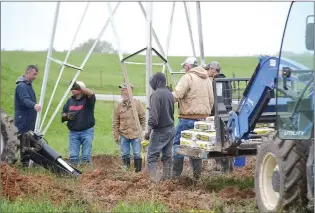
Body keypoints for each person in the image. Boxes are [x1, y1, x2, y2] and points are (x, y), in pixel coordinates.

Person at [172, 57, 214, 179]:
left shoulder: (188, 77)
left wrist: (166, 99)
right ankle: (197, 177)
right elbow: (212, 100)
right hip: (203, 120)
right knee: (196, 147)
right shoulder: (207, 80)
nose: (184, 69)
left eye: (184, 66)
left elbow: (177, 95)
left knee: (178, 145)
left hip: (187, 118)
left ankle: (176, 175)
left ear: (188, 66)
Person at [144, 72, 175, 182]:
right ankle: (167, 180)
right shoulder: (170, 94)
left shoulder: (156, 95)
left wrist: (148, 132)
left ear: (157, 81)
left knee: (152, 157)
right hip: (171, 129)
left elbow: (154, 116)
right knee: (167, 157)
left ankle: (155, 181)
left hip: (160, 130)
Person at [204, 61, 234, 173]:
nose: (207, 72)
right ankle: (229, 168)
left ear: (213, 70)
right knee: (228, 141)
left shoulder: (215, 82)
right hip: (228, 113)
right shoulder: (227, 81)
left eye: (208, 69)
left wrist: (209, 113)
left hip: (218, 114)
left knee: (218, 141)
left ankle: (220, 168)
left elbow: (215, 100)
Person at [112, 82, 146, 172]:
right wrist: (116, 135)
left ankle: (137, 172)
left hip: (136, 134)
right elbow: (115, 122)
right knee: (125, 154)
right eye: (121, 90)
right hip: (123, 134)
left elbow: (143, 119)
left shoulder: (138, 104)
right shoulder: (118, 106)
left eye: (124, 89)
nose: (121, 91)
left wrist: (144, 131)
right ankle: (126, 170)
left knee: (137, 154)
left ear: (130, 91)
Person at [61, 81, 96, 166]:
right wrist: (69, 116)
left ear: (80, 90)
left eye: (74, 88)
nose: (71, 90)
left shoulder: (88, 100)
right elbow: (63, 115)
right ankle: (74, 174)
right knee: (73, 157)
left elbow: (92, 94)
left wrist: (81, 88)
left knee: (86, 157)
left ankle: (87, 175)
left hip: (87, 132)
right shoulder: (69, 101)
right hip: (73, 133)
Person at [14, 65, 42, 167]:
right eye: (34, 74)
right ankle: (25, 165)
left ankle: (31, 163)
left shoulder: (28, 85)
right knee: (24, 141)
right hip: (23, 119)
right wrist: (34, 105)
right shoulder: (22, 86)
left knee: (29, 141)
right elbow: (25, 100)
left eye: (36, 75)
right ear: (28, 72)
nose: (35, 77)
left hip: (28, 119)